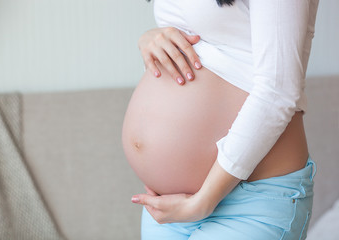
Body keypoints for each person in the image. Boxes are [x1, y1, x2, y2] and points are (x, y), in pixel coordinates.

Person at [130, 0, 319, 239]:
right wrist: (151, 38)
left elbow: (278, 91)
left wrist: (204, 200)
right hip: (169, 208)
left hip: (249, 202)